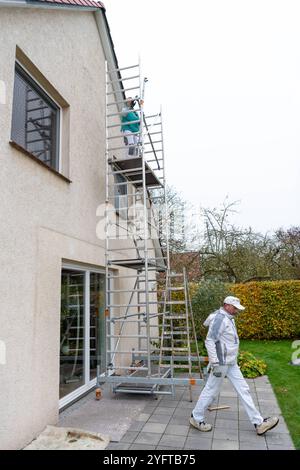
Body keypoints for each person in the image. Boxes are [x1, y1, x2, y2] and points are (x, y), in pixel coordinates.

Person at [190, 296, 279, 436]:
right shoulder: (220, 319)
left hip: (231, 363)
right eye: (235, 307)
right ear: (227, 306)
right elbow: (209, 340)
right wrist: (214, 362)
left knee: (244, 389)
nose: (237, 310)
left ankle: (259, 423)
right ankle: (196, 418)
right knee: (211, 391)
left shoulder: (228, 318)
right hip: (220, 364)